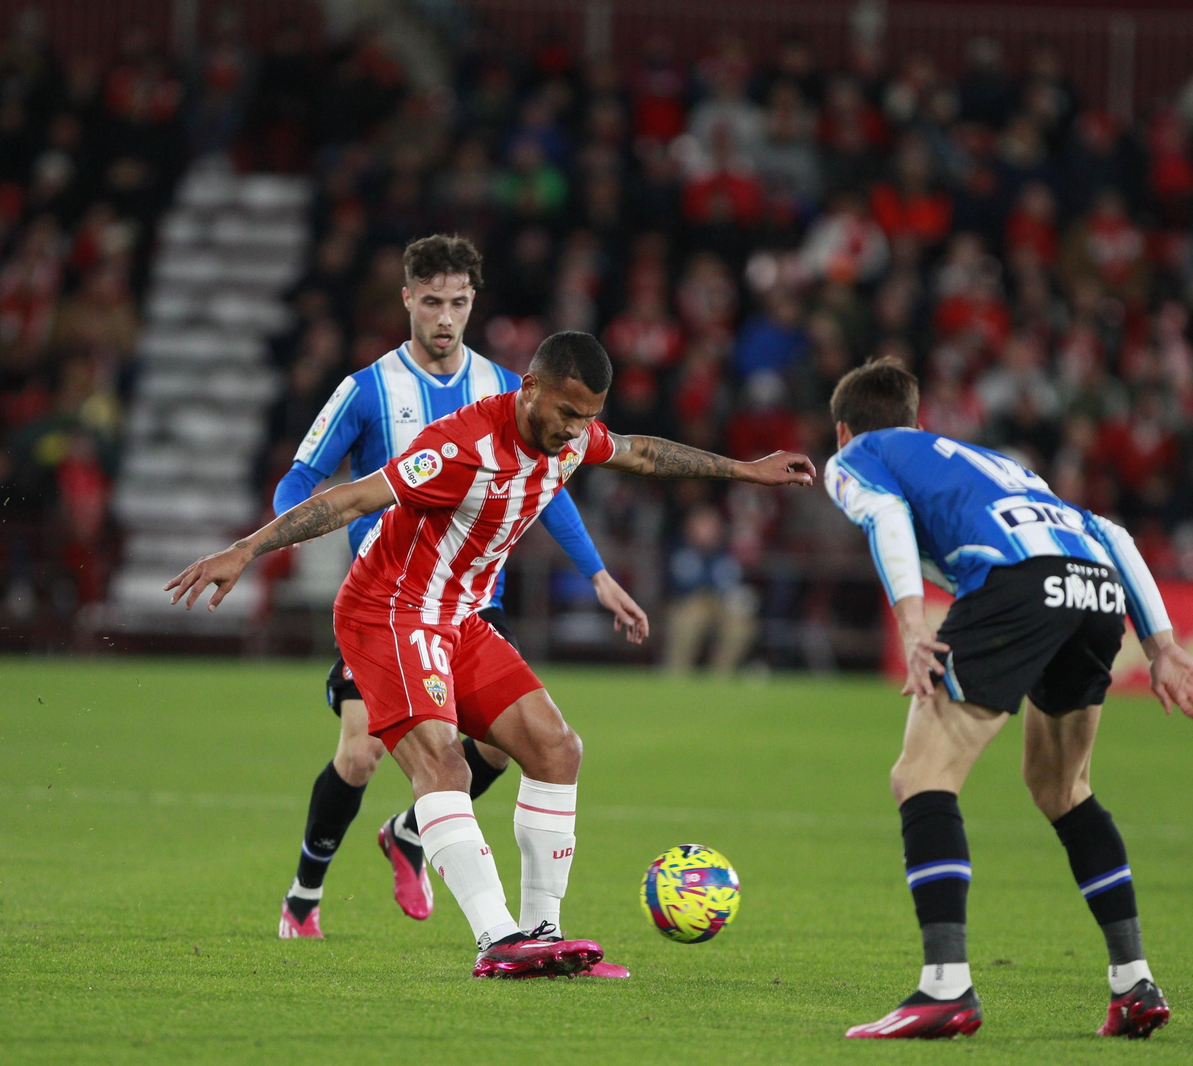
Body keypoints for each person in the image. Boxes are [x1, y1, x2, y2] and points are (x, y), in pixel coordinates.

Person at [167, 331, 815, 978]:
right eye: (566, 412)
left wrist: (745, 468)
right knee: (443, 764)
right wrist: (246, 549)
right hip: (388, 612)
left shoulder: (576, 436)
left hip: (461, 616)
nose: (575, 430)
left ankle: (542, 932)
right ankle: (495, 939)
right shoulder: (459, 446)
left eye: (587, 416)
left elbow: (641, 453)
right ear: (529, 388)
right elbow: (354, 496)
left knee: (556, 747)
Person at [822, 360, 1193, 1039]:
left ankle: (945, 988)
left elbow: (885, 512)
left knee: (921, 775)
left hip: (1018, 584)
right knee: (1062, 786)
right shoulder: (993, 463)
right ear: (917, 421)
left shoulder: (860, 455)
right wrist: (1161, 645)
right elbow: (1114, 535)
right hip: (1093, 586)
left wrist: (913, 623)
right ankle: (1133, 982)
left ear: (842, 430)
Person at [267, 235, 648, 942]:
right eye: (433, 301)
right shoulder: (367, 389)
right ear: (408, 299)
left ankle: (416, 835)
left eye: (459, 303)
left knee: (513, 745)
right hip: (387, 599)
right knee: (362, 753)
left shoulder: (510, 389)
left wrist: (595, 571)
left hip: (474, 600)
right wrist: (307, 538)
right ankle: (303, 895)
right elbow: (301, 480)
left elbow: (551, 484)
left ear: (474, 304)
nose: (446, 317)